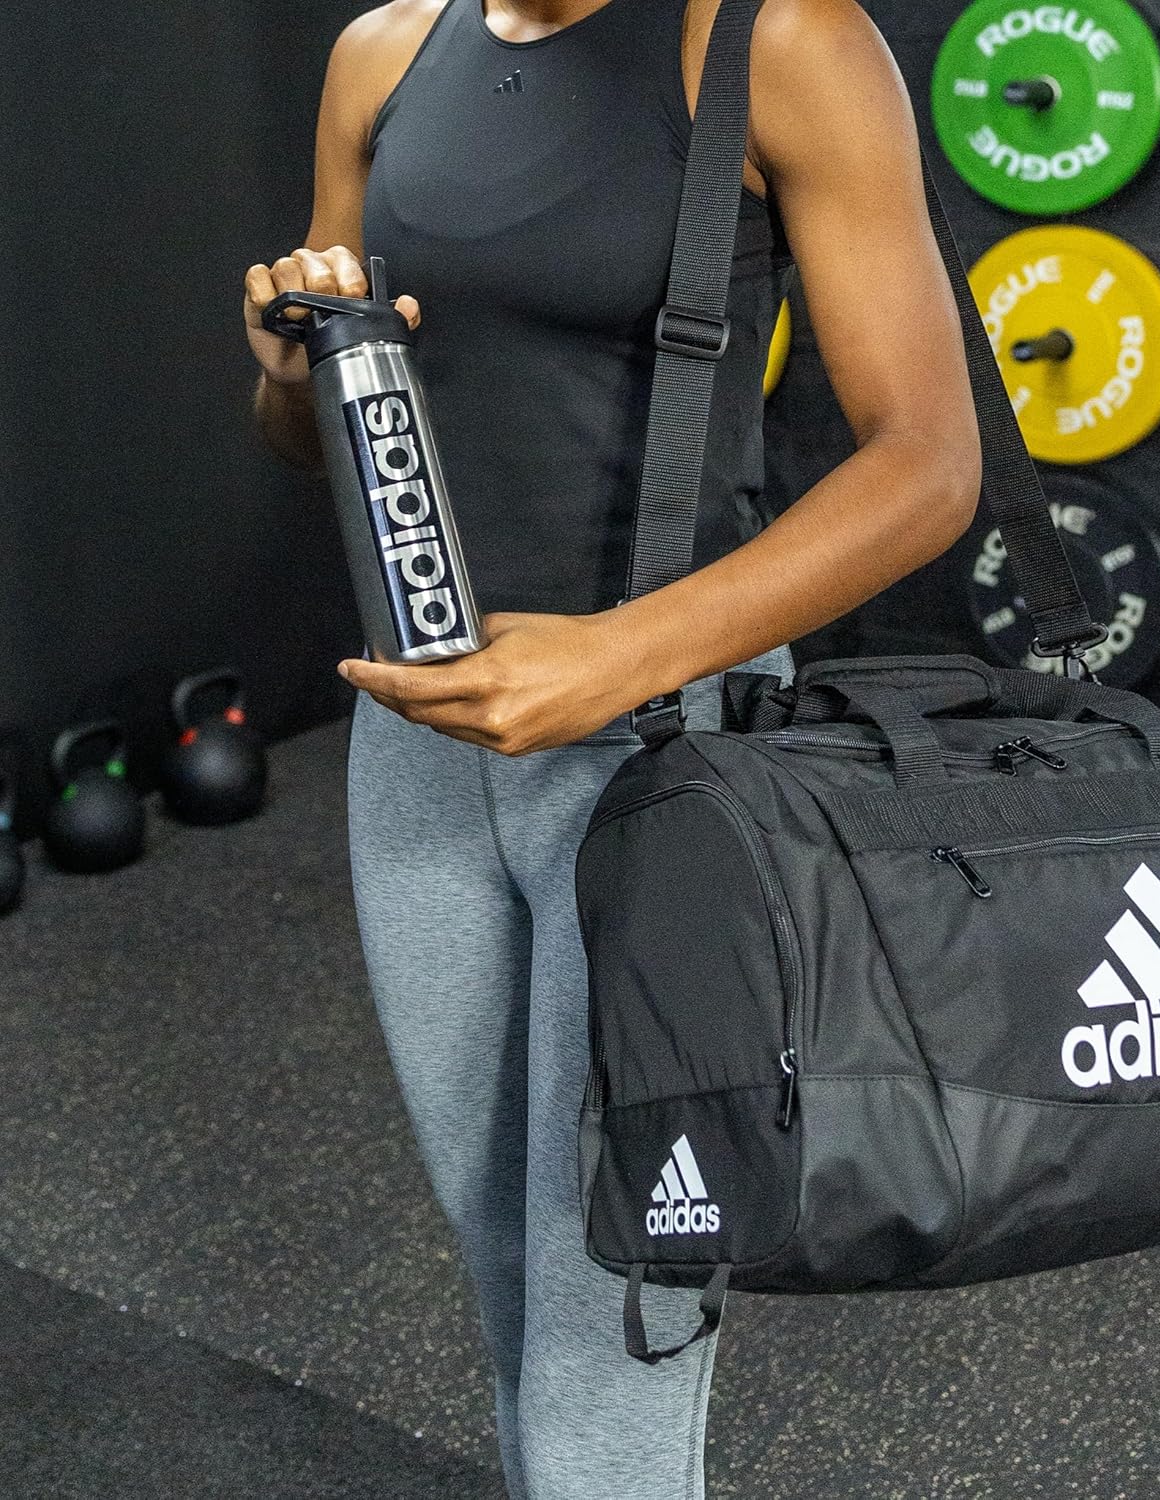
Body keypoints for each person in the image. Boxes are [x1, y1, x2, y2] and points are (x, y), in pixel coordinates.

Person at [242, 0, 980, 1495]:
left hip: (664, 740)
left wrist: (620, 659)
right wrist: (288, 365)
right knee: (506, 1266)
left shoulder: (777, 41)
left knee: (614, 1303)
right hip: (424, 735)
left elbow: (928, 462)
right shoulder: (381, 55)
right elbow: (313, 433)